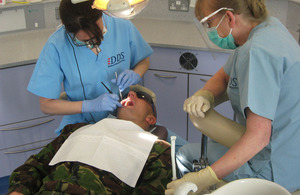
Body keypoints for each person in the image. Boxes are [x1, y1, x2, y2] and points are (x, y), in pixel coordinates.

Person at [166, 0, 300, 194]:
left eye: (209, 24)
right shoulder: (267, 28)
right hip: (288, 150)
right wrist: (206, 95)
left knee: (185, 155)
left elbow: (259, 137)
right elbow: (225, 75)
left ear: (229, 17)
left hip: (275, 168)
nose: (209, 31)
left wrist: (205, 178)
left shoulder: (257, 52)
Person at [8, 90, 172, 195]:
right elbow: (34, 166)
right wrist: (18, 191)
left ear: (151, 119)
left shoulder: (158, 149)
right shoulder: (75, 130)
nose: (131, 94)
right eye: (129, 93)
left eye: (141, 96)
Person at [27, 0, 153, 135]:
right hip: (80, 125)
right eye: (85, 41)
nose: (94, 44)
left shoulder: (122, 26)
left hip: (122, 120)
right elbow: (46, 105)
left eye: (97, 36)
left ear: (102, 12)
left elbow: (144, 60)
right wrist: (88, 105)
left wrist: (136, 73)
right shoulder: (56, 45)